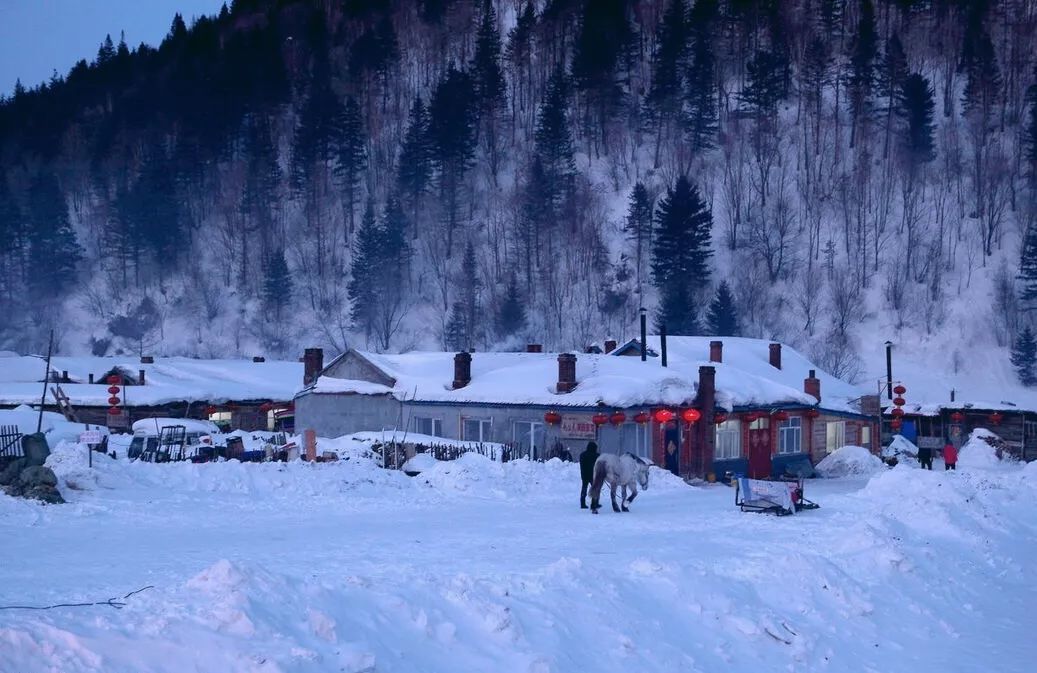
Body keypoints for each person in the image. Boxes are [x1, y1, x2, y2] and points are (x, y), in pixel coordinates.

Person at [579, 441, 599, 509]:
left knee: (584, 488)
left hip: (584, 475)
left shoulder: (582, 455)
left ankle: (582, 503)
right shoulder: (596, 456)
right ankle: (594, 503)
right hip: (593, 476)